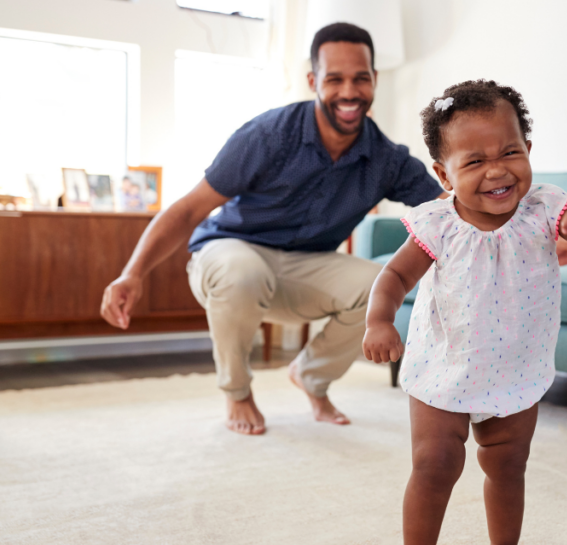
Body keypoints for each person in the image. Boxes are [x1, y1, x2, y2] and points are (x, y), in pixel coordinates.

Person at [99, 23, 447, 435]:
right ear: (313, 81)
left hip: (307, 268)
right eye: (335, 79)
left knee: (378, 284)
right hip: (231, 254)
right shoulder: (267, 136)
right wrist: (132, 273)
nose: (349, 91)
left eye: (361, 78)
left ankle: (311, 377)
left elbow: (446, 209)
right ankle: (237, 392)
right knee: (243, 272)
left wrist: (515, 210)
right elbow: (189, 208)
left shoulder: (385, 158)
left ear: (374, 80)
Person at [362, 80, 567, 545]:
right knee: (435, 464)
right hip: (445, 362)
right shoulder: (438, 224)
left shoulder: (548, 210)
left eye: (510, 151)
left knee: (507, 464)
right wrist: (379, 319)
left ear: (528, 150)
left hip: (516, 363)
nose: (497, 170)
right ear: (444, 173)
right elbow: (393, 275)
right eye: (474, 161)